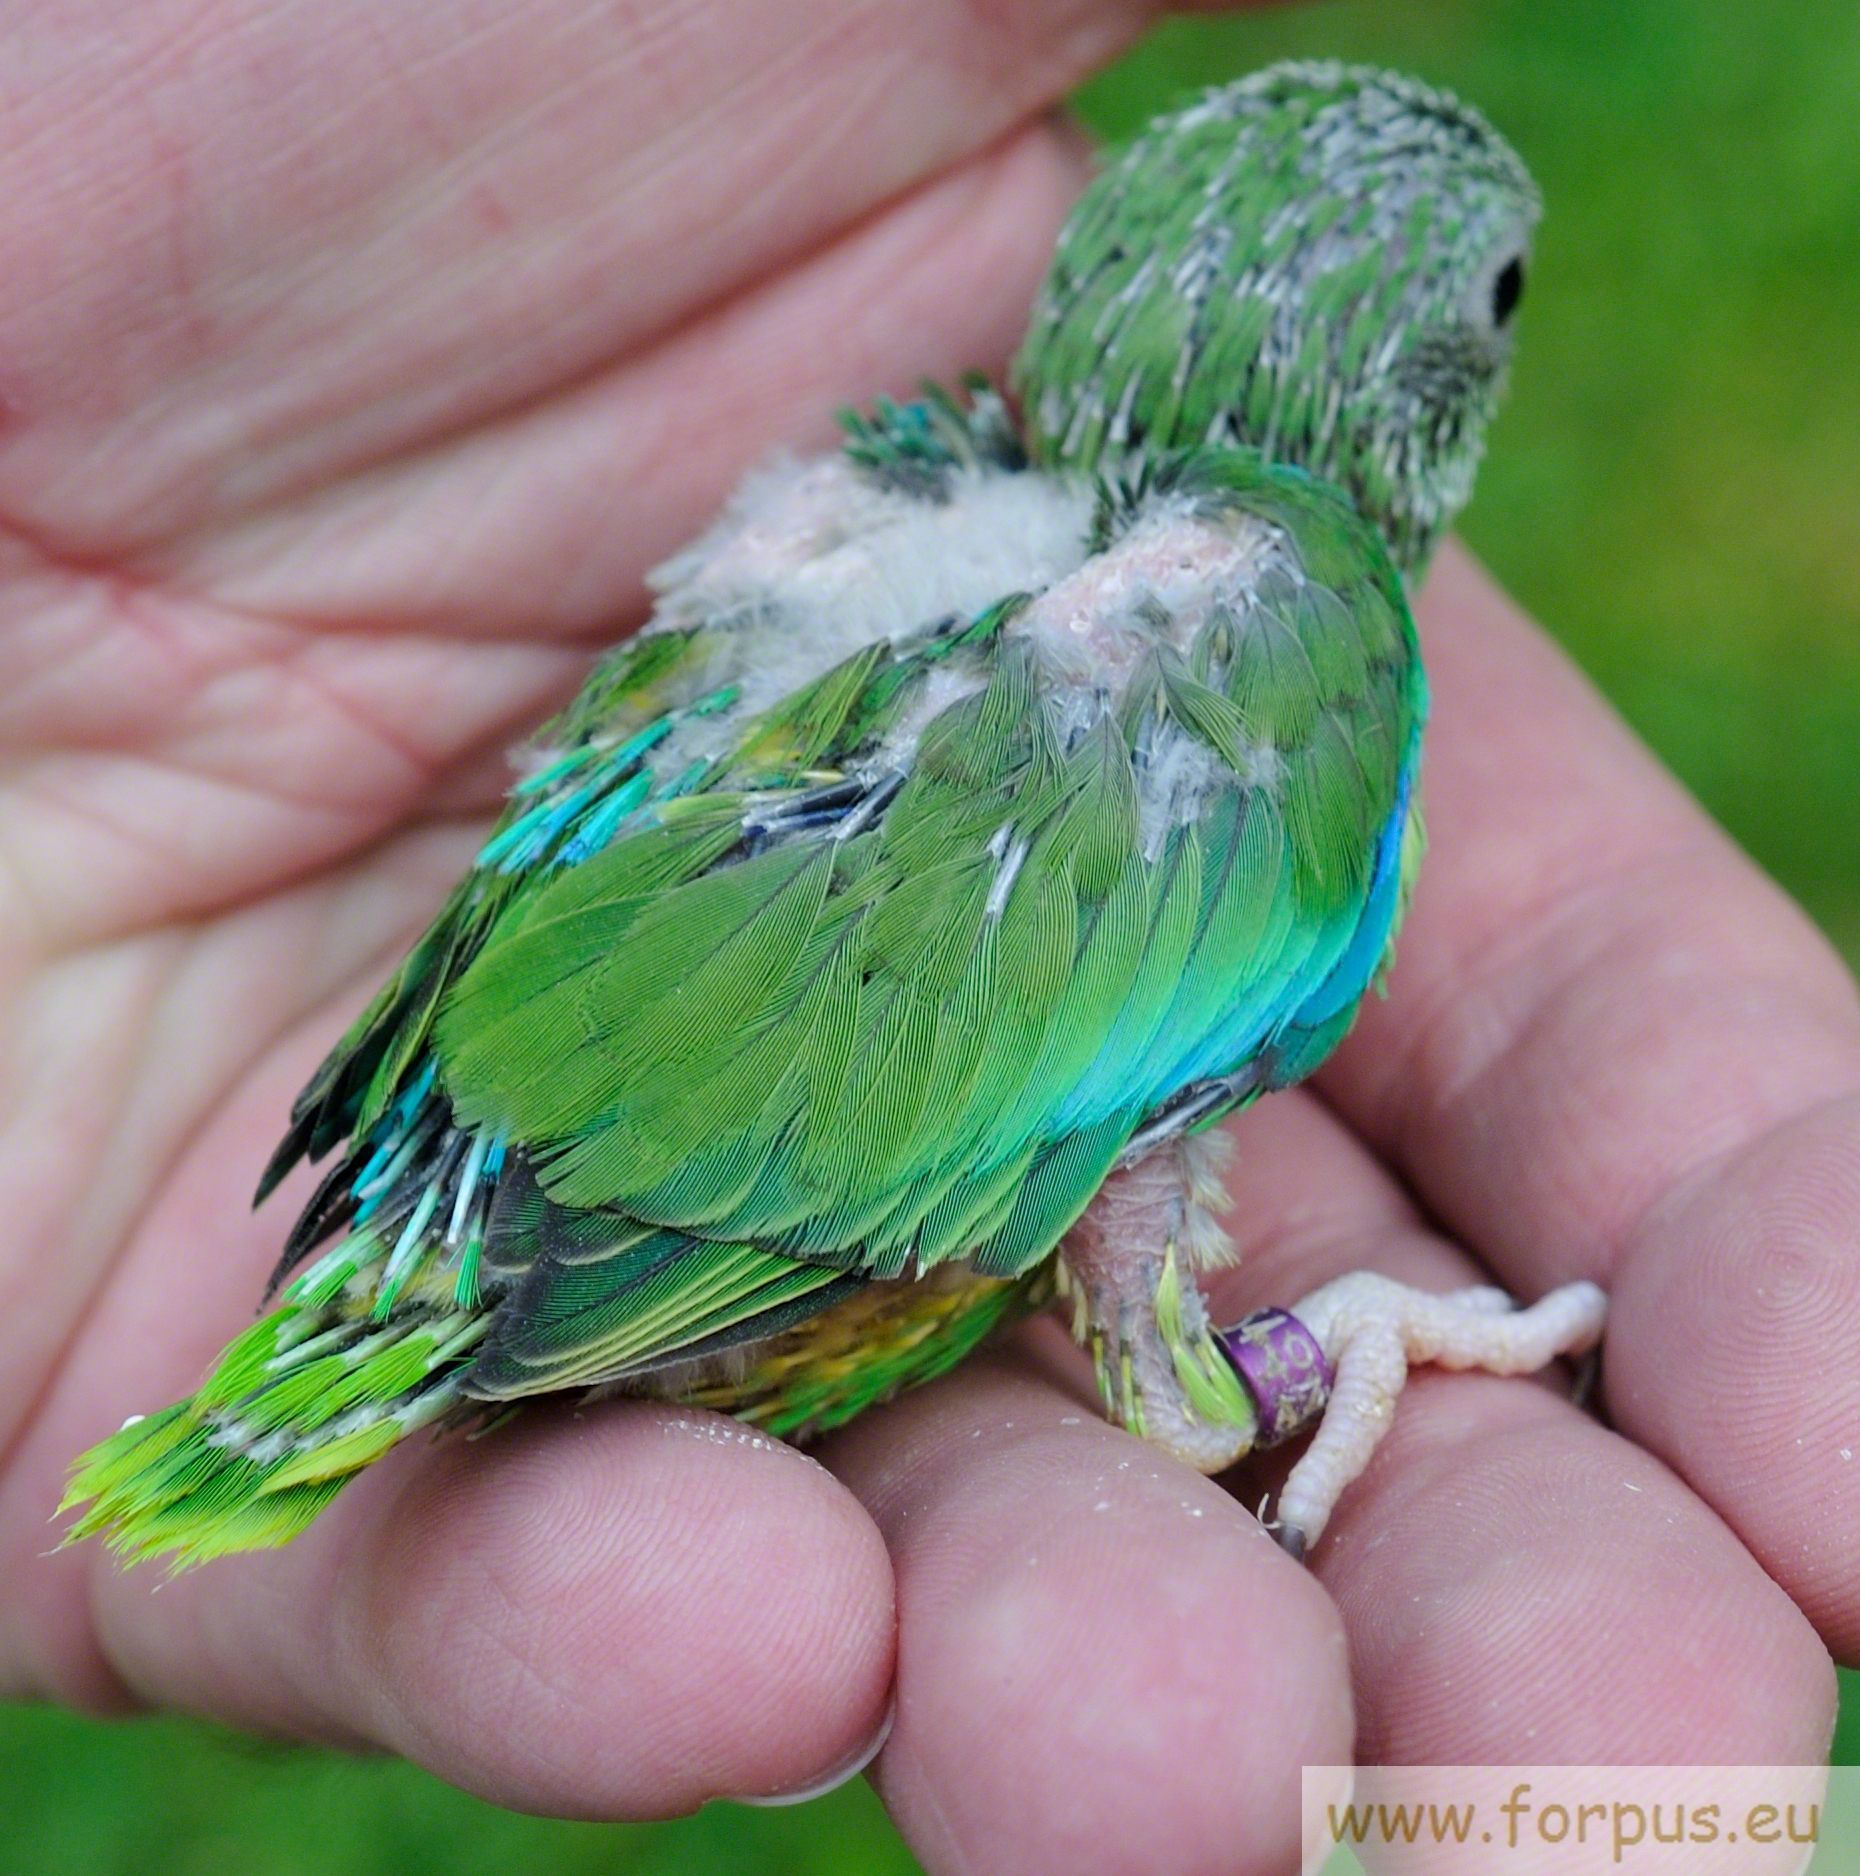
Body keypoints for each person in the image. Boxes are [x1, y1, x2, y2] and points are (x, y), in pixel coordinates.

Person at [0, 5, 1847, 1870]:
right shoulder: (1293, 646)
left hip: (519, 1115)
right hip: (677, 1195)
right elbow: (1093, 1130)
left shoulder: (924, 505)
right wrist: (1327, 1341)